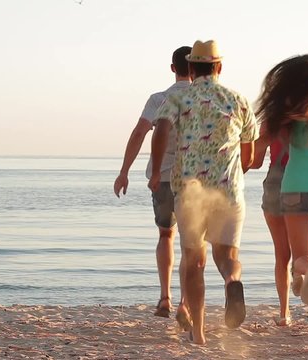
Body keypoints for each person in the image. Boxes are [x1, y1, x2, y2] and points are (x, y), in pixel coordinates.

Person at [148, 40, 257, 345]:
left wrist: (157, 171)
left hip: (191, 192)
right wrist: (234, 172)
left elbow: (161, 131)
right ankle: (233, 281)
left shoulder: (180, 99)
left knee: (194, 260)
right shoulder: (238, 100)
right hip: (229, 191)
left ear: (191, 68)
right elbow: (249, 157)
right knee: (227, 256)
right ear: (219, 67)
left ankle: (198, 334)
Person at [257, 53, 308, 341]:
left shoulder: (289, 111)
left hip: (294, 185)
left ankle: (306, 268)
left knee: (302, 256)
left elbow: (267, 141)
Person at [113, 45, 192, 326]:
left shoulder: (159, 99)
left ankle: (164, 297)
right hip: (194, 179)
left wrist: (124, 172)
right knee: (190, 243)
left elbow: (139, 132)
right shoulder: (203, 100)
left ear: (173, 68)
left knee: (165, 236)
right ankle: (185, 302)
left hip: (163, 176)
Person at [251, 124, 301, 327]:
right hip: (302, 179)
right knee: (302, 247)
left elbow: (255, 162)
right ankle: (300, 271)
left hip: (275, 180)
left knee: (281, 253)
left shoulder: (271, 119)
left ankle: (284, 313)